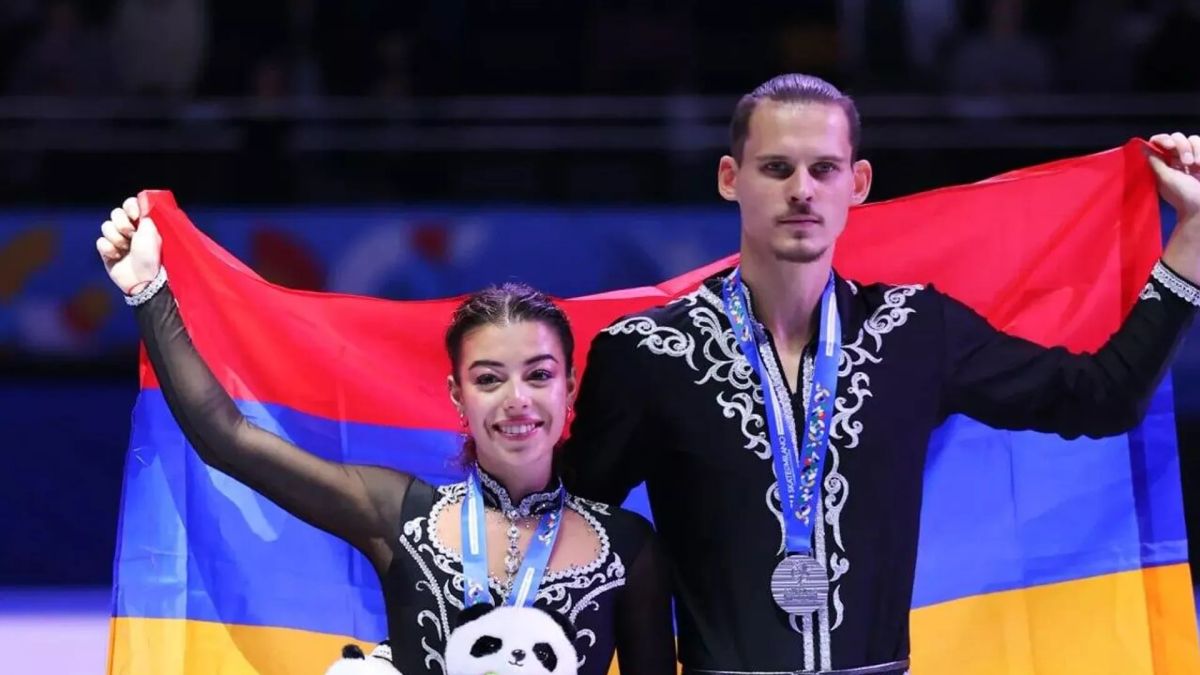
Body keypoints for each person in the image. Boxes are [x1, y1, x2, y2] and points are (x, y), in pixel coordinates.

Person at [561, 73, 1200, 674]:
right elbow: (566, 529)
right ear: (731, 178)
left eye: (824, 169)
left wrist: (1191, 242)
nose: (802, 190)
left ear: (858, 183)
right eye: (777, 168)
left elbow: (1103, 398)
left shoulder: (914, 332)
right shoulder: (649, 353)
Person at [94, 201, 677, 675]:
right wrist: (148, 290)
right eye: (488, 379)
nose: (517, 399)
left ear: (569, 388)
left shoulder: (627, 547)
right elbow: (229, 438)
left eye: (539, 375)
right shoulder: (399, 516)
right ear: (457, 395)